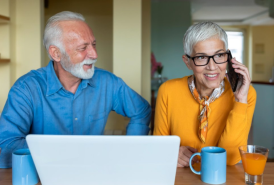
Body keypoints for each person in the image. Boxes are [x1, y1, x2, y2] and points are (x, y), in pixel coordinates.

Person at [0, 11, 151, 168]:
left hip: (93, 173)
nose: (94, 54)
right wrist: (65, 155)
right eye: (82, 48)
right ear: (56, 53)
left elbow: (142, 111)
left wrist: (131, 150)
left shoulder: (108, 82)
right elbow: (7, 145)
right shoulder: (26, 88)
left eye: (93, 44)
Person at [153, 22, 256, 166]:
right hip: (181, 176)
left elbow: (230, 158)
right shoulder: (168, 90)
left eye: (219, 55)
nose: (212, 67)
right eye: (201, 57)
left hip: (221, 177)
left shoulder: (245, 94)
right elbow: (158, 148)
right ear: (188, 62)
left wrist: (240, 101)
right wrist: (171, 152)